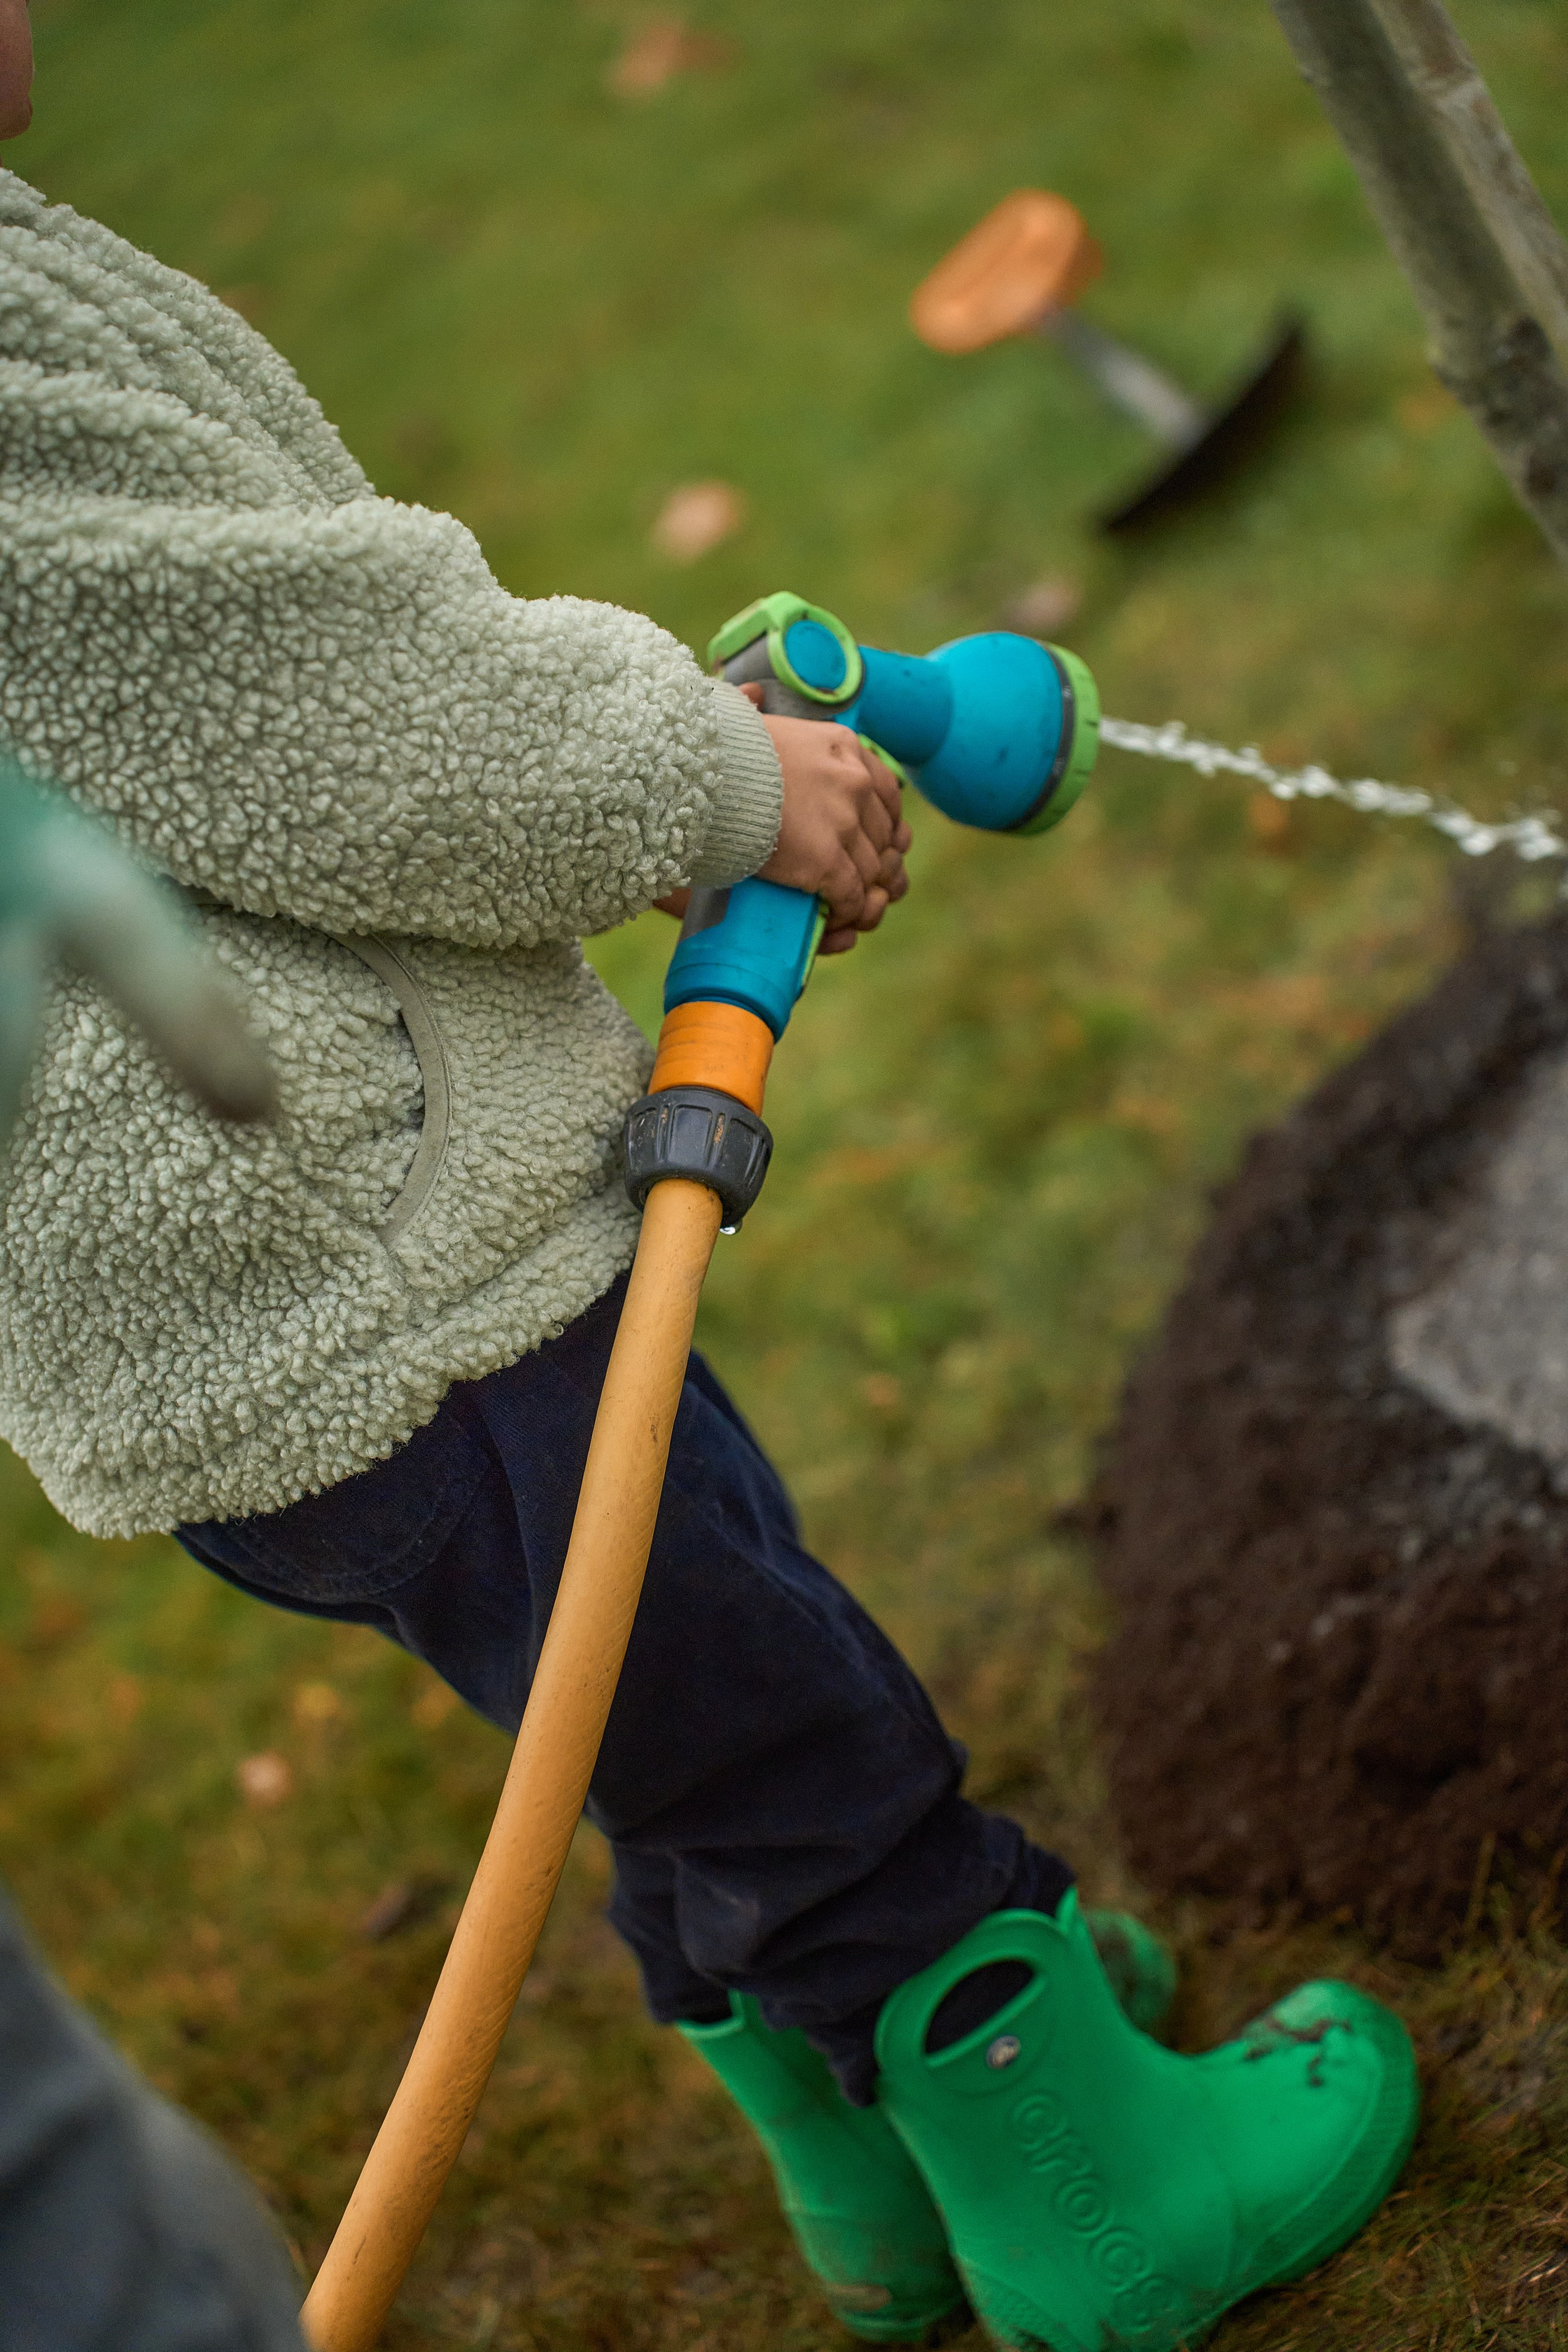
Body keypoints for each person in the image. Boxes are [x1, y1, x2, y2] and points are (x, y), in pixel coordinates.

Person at [0, 5, 1421, 2344]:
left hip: (257, 1303)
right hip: (373, 1267)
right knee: (773, 1726)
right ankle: (1098, 2196)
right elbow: (323, 705)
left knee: (664, 1708)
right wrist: (714, 782)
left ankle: (876, 2162)